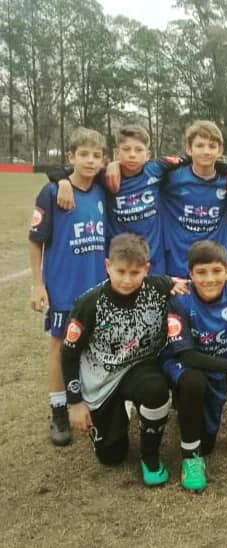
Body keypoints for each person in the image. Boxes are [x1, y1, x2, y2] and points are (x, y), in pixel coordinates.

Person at [61, 234, 184, 486]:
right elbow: (69, 353)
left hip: (139, 367)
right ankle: (114, 415)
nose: (127, 280)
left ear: (146, 269)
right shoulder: (89, 303)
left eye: (135, 272)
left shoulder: (159, 287)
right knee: (112, 457)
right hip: (101, 378)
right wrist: (74, 402)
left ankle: (150, 456)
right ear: (107, 266)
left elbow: (205, 282)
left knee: (156, 390)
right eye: (121, 272)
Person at [49, 125, 227, 275]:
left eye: (138, 150)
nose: (132, 154)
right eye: (126, 149)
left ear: (148, 155)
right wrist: (63, 181)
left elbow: (196, 158)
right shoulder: (104, 176)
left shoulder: (157, 169)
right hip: (120, 262)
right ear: (117, 153)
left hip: (155, 260)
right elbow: (71, 170)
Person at [29, 127, 108, 446]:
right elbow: (35, 241)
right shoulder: (52, 193)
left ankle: (92, 400)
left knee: (95, 345)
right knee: (61, 347)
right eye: (83, 154)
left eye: (96, 155)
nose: (90, 160)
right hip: (63, 286)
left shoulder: (102, 190)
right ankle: (59, 409)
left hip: (97, 287)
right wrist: (37, 285)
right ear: (70, 156)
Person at [163, 240, 227, 491]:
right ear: (190, 274)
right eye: (201, 272)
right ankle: (190, 458)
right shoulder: (180, 299)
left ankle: (189, 411)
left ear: (226, 272)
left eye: (217, 271)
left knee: (208, 444)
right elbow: (187, 357)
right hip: (183, 365)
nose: (209, 279)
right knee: (194, 383)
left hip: (217, 369)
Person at [161, 120, 227, 277]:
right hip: (179, 265)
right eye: (200, 145)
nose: (206, 151)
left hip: (216, 267)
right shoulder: (170, 178)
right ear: (189, 149)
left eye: (212, 146)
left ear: (220, 151)